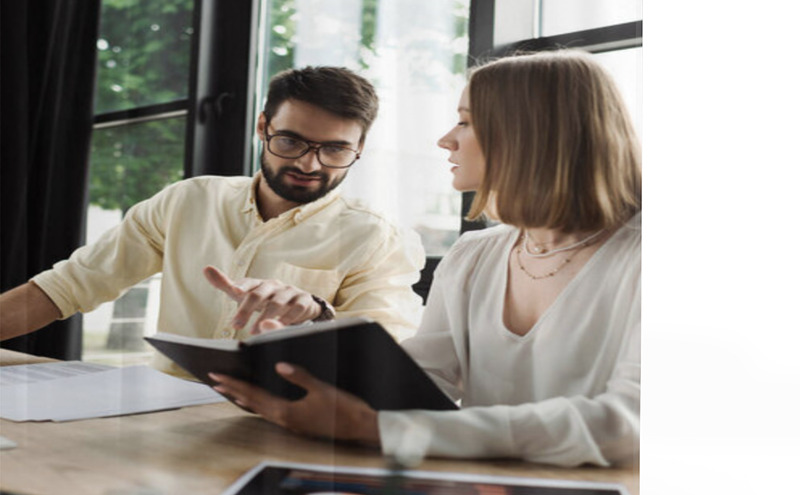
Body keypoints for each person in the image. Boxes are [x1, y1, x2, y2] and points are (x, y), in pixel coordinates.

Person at [208, 50, 642, 467]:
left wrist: (379, 429)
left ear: (530, 135)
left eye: (465, 122)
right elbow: (423, 379)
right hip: (479, 491)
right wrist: (296, 373)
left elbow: (628, 426)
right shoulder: (475, 254)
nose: (446, 139)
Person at [0, 66, 425, 376]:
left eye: (335, 149)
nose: (309, 164)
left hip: (282, 423)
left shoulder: (377, 238)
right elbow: (69, 286)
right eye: (291, 141)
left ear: (361, 146)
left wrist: (317, 315)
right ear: (263, 127)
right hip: (163, 412)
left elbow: (385, 357)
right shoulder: (188, 200)